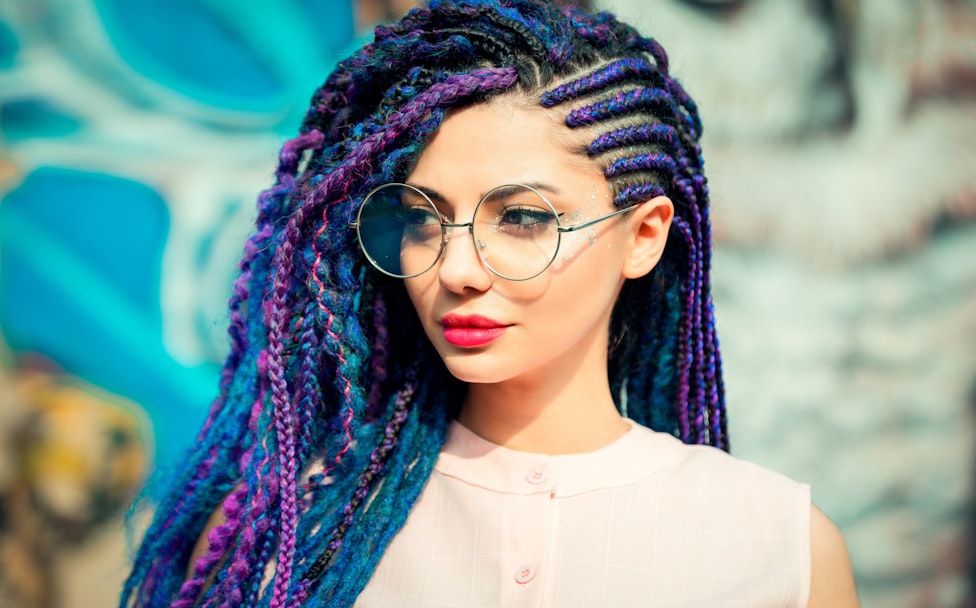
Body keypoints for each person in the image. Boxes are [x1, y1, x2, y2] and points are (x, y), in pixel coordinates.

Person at [121, 0, 860, 606]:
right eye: (422, 219)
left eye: (523, 218)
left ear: (644, 236)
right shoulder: (288, 536)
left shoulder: (779, 546)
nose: (459, 269)